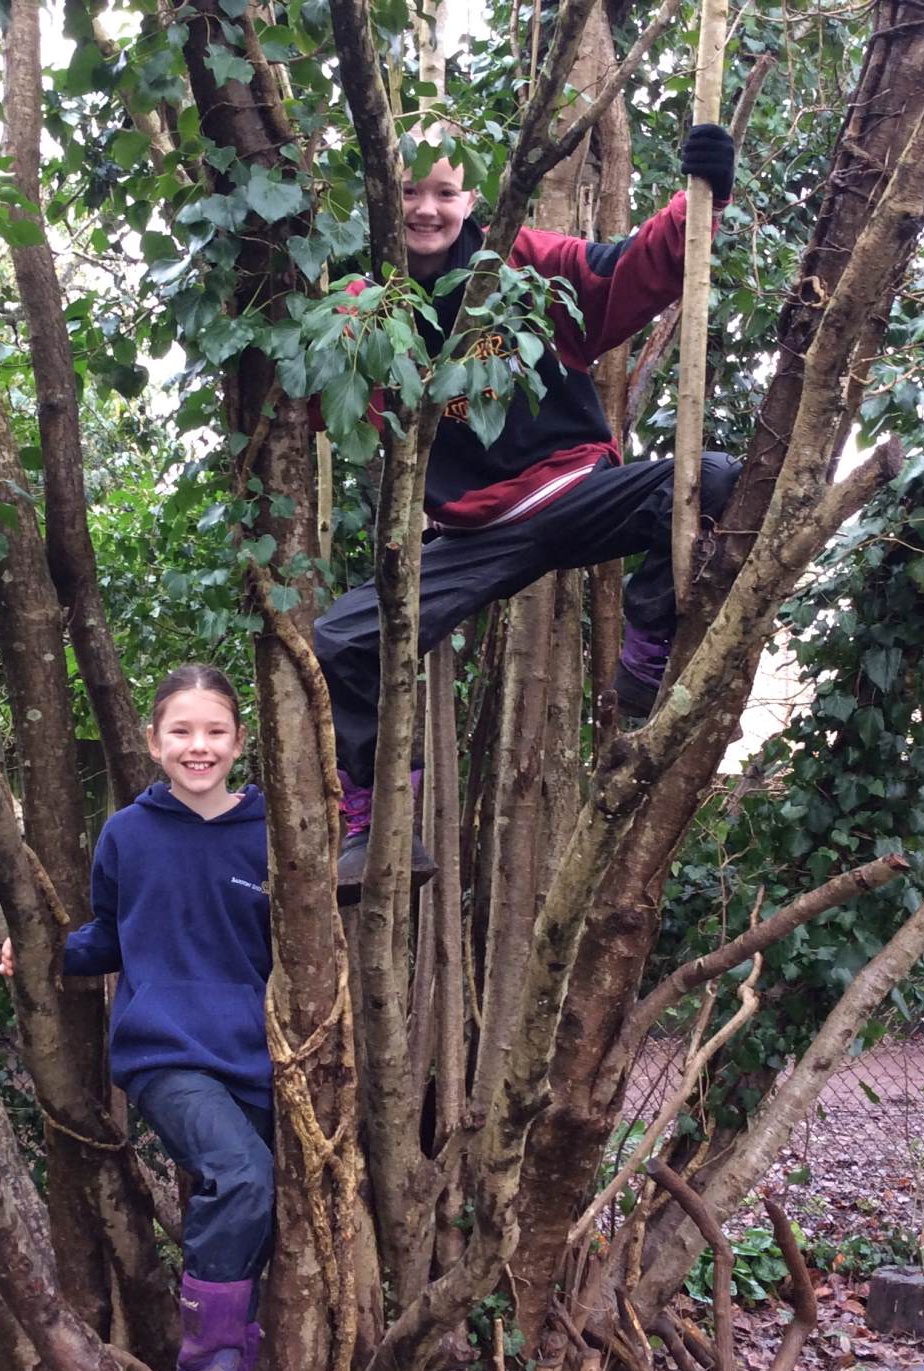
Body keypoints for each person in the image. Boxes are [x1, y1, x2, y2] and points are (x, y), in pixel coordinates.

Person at [317, 125, 745, 903]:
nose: (425, 209)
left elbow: (622, 274)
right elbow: (319, 401)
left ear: (471, 200)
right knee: (344, 637)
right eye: (409, 191)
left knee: (715, 480)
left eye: (444, 192)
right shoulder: (361, 305)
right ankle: (379, 822)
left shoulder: (520, 262)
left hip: (570, 489)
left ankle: (645, 661)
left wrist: (700, 201)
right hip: (470, 531)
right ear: (382, 192)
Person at [0, 664, 274, 1371]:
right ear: (154, 742)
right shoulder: (128, 832)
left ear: (240, 741)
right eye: (181, 731)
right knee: (242, 1176)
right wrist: (47, 951)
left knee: (265, 1211)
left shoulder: (271, 833)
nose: (199, 746)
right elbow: (116, 933)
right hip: (166, 1050)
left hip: (260, 1056)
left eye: (215, 731)